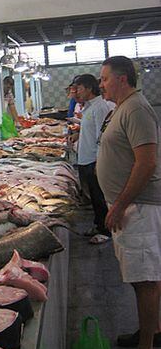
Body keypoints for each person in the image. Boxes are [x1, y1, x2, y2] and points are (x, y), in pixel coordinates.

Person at [96, 55, 161, 349]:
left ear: (122, 78)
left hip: (138, 209)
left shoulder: (135, 108)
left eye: (105, 78)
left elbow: (147, 162)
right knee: (144, 277)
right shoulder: (123, 108)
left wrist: (119, 205)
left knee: (145, 279)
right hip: (130, 207)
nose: (101, 84)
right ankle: (152, 331)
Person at [71, 74, 113, 244]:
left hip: (93, 160)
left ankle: (106, 231)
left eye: (79, 88)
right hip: (85, 158)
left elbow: (102, 137)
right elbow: (89, 130)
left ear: (88, 88)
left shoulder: (100, 107)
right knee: (93, 196)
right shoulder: (88, 107)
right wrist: (77, 133)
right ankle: (98, 224)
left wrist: (99, 162)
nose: (76, 92)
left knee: (99, 196)